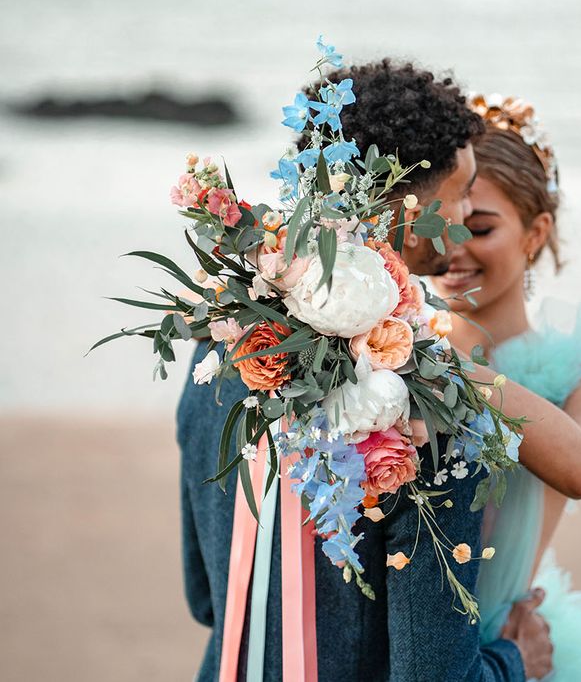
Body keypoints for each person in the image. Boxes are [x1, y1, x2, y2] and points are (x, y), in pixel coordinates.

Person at [178, 60, 555, 682]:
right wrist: (519, 662)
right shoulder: (428, 398)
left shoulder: (228, 342)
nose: (461, 220)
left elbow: (204, 595)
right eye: (459, 193)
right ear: (409, 207)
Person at [431, 93, 581, 680]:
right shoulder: (385, 354)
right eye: (438, 227)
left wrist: (444, 367)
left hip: (513, 647)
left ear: (535, 232)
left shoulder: (580, 379)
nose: (452, 250)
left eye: (481, 228)